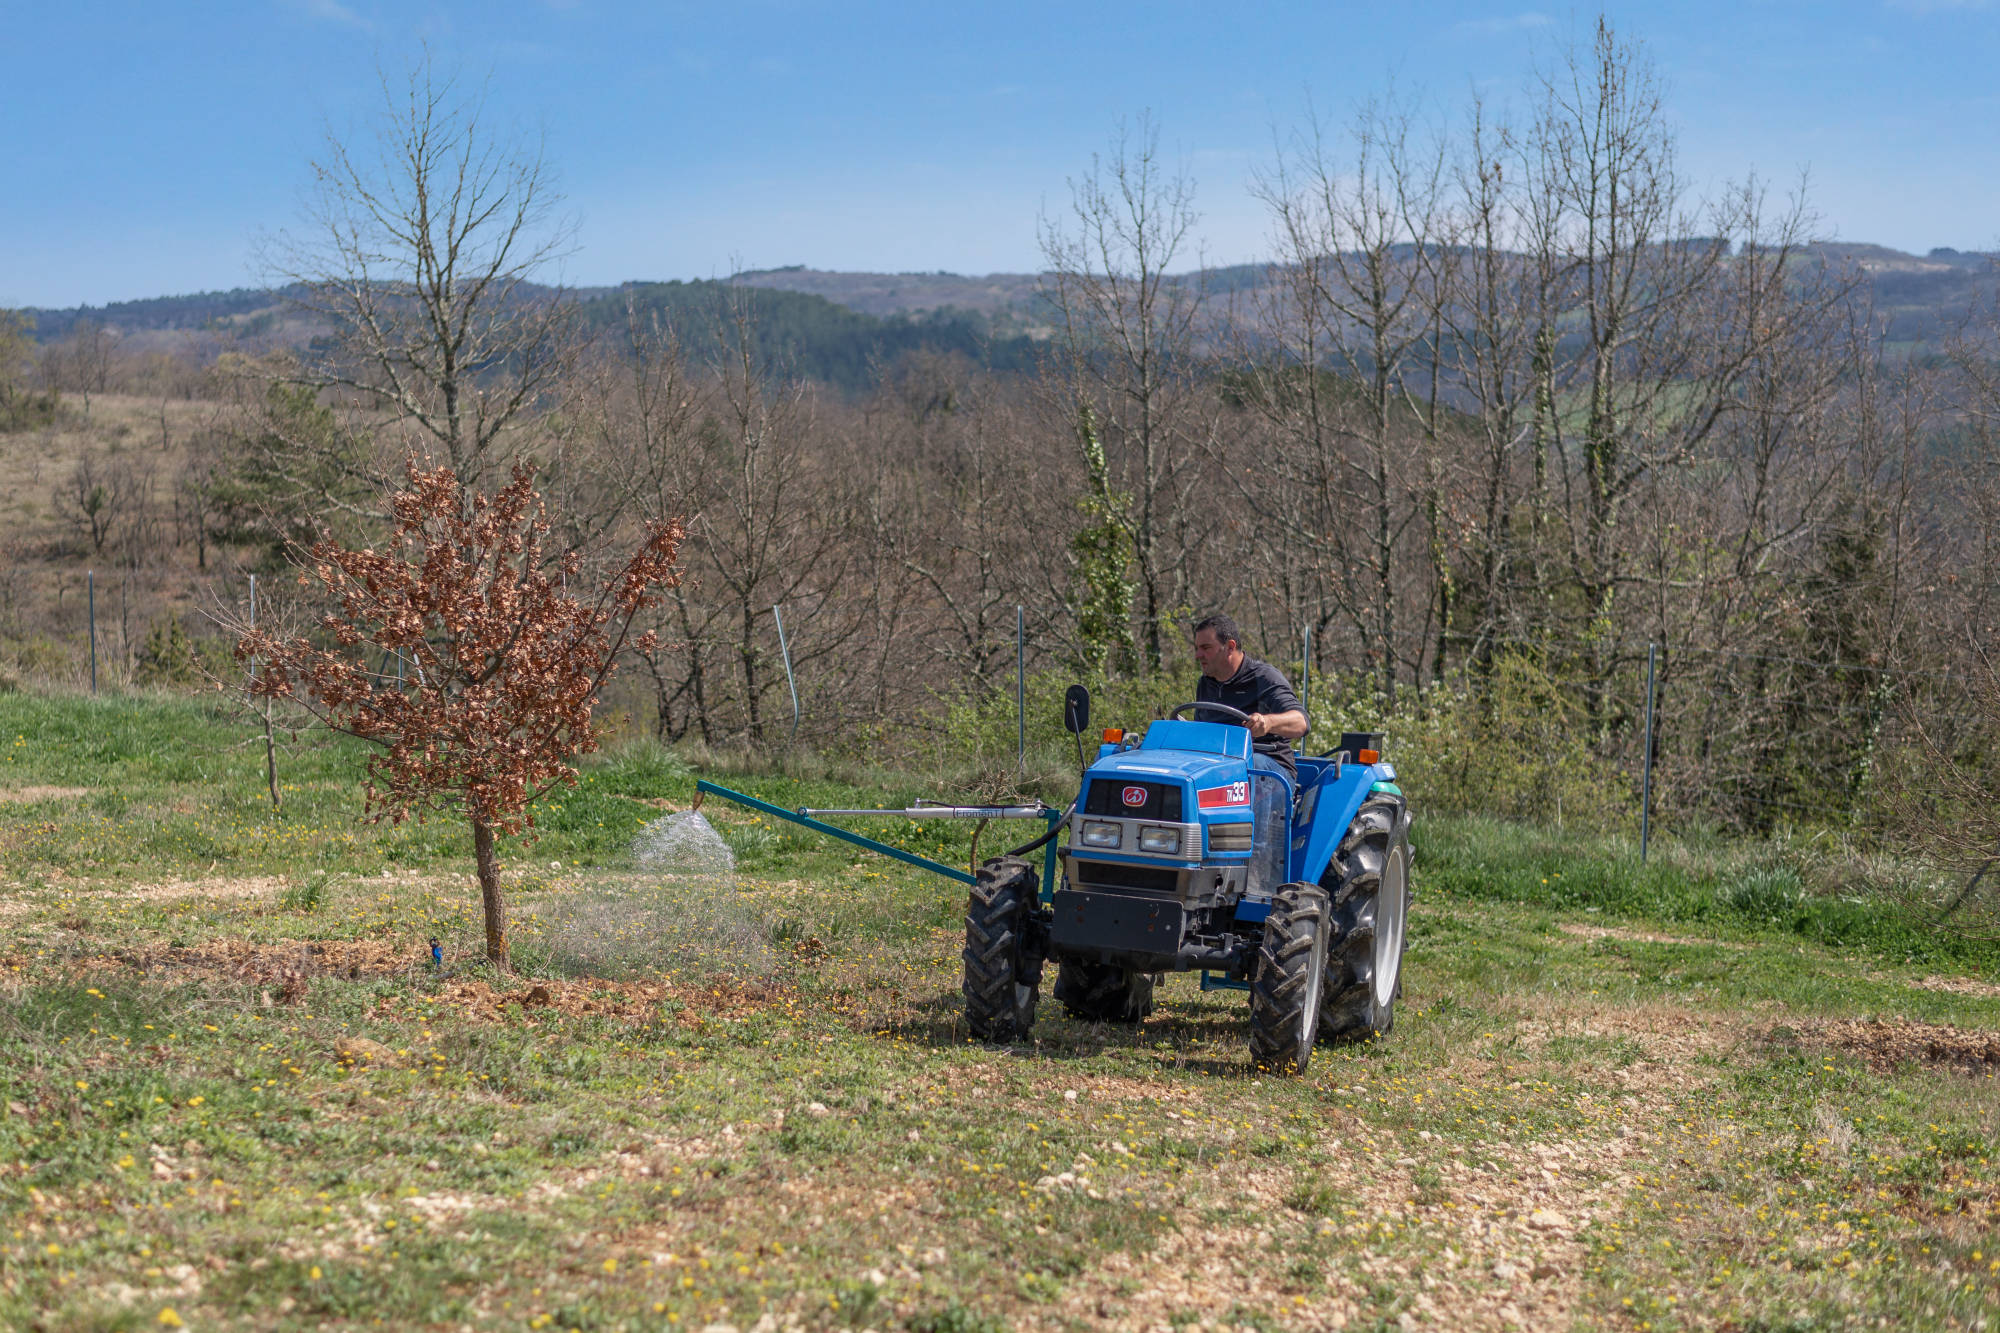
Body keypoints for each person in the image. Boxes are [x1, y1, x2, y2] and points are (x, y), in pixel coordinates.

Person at [1190, 614, 1308, 780]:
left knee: (1252, 765)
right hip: (1221, 769)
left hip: (1270, 773)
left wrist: (1268, 723)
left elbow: (1301, 722)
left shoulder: (1264, 677)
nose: (1198, 655)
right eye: (1197, 648)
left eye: (1206, 648)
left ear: (1230, 647)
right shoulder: (1205, 683)